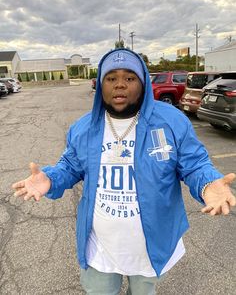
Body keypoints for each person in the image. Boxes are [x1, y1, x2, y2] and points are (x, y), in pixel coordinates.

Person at [12, 48, 235, 295]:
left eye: (129, 78)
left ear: (143, 84)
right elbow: (70, 166)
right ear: (100, 84)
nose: (119, 85)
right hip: (100, 247)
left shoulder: (170, 121)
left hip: (150, 247)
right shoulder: (84, 128)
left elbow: (194, 164)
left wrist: (208, 183)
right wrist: (50, 179)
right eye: (111, 78)